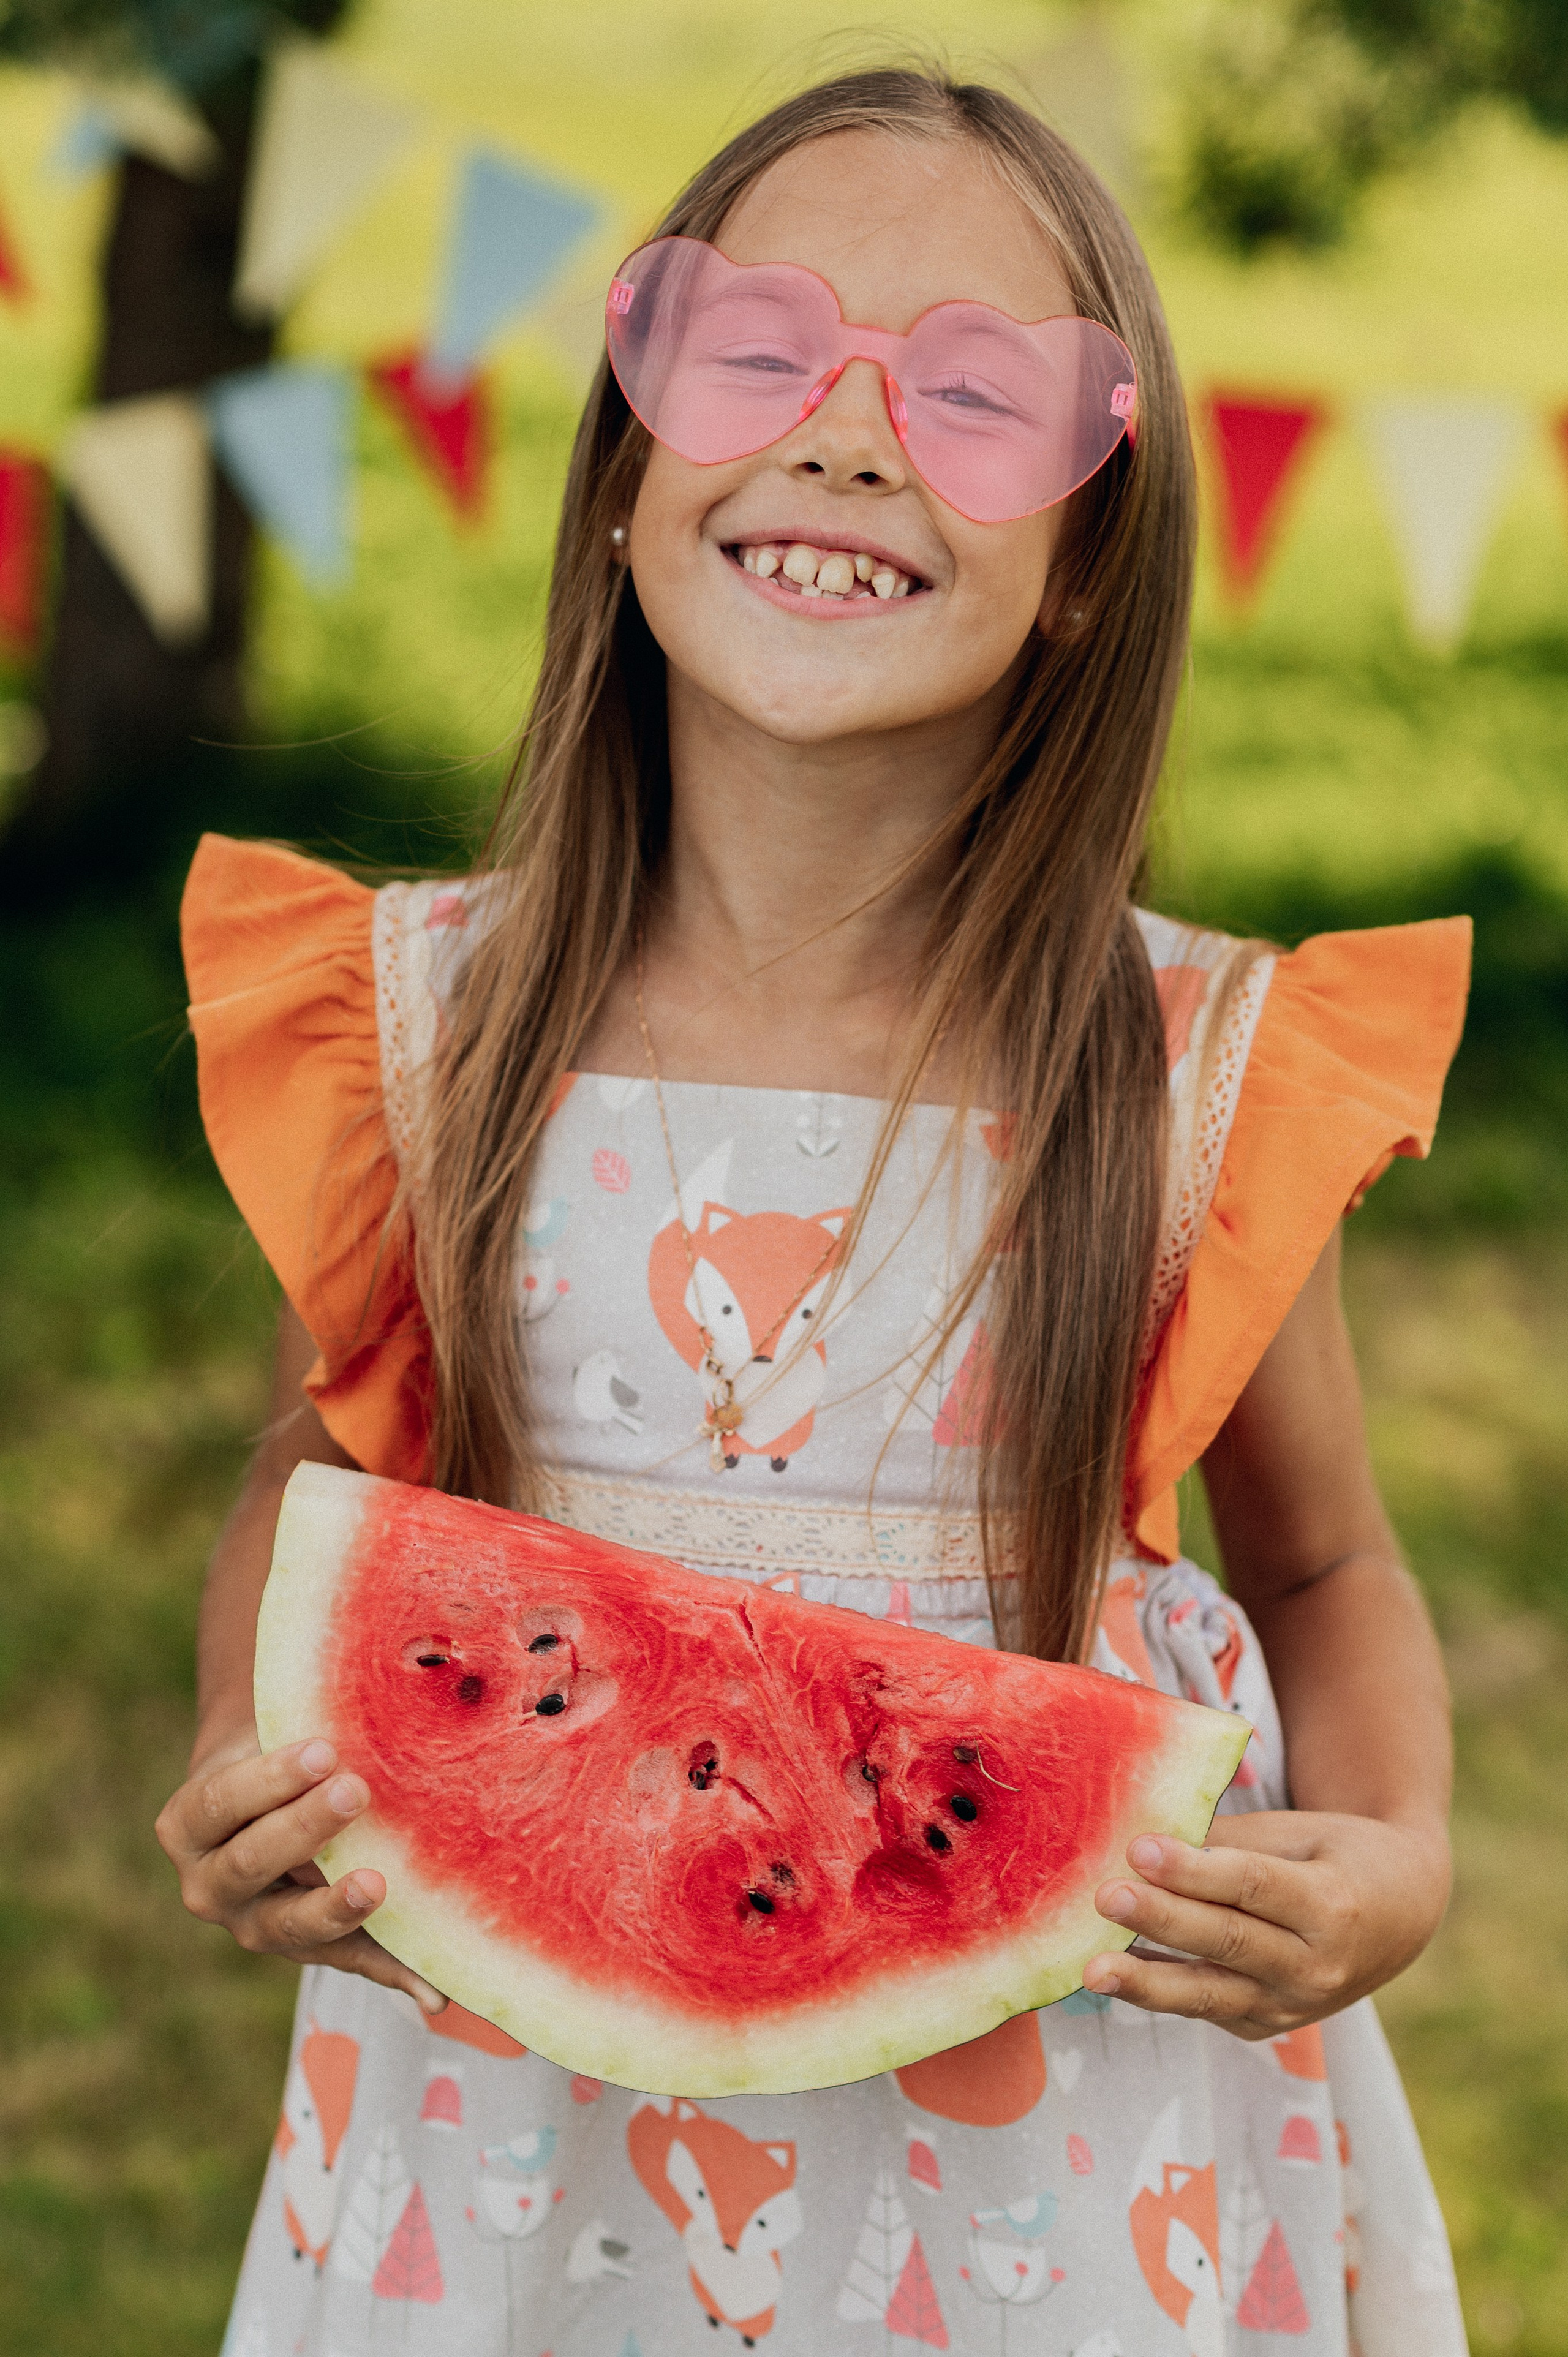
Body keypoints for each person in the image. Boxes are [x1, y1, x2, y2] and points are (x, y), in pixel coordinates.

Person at [156, 67, 1472, 2357]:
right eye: (757, 351)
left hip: (1062, 2175)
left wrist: (1393, 1856)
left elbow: (1329, 1562)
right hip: (514, 2153)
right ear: (618, 478)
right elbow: (332, 1476)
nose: (853, 435)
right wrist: (240, 1755)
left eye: (975, 395)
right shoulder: (428, 1027)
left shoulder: (1182, 1084)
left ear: (1088, 562)